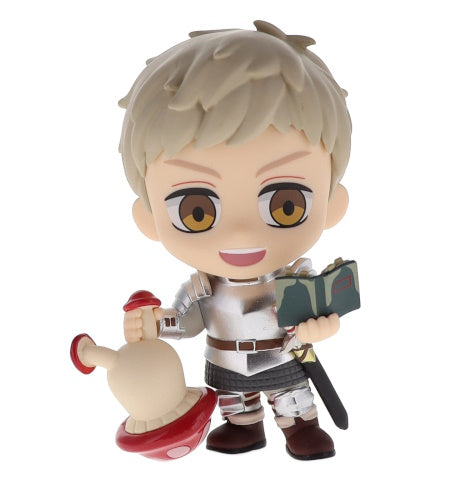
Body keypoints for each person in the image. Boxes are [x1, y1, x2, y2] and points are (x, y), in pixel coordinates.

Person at [119, 20, 352, 460]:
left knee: (292, 399)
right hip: (225, 362)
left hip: (282, 357)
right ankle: (244, 425)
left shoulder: (295, 276)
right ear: (149, 219)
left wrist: (322, 325)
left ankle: (299, 426)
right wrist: (154, 325)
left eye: (285, 204)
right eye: (197, 211)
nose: (241, 233)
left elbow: (321, 306)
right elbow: (186, 322)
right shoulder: (202, 286)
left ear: (331, 203)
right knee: (236, 403)